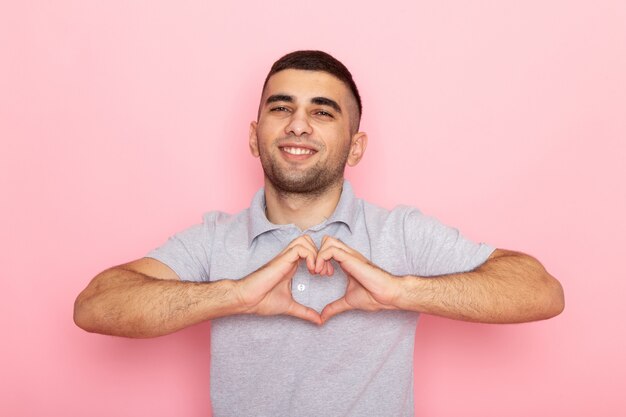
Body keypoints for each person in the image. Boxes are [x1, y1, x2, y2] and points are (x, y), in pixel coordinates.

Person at [74, 50, 564, 417]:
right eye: (281, 108)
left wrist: (399, 290)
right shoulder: (213, 239)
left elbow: (541, 291)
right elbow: (95, 304)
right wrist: (236, 295)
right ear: (254, 134)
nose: (299, 125)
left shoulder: (401, 233)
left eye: (323, 112)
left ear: (355, 147)